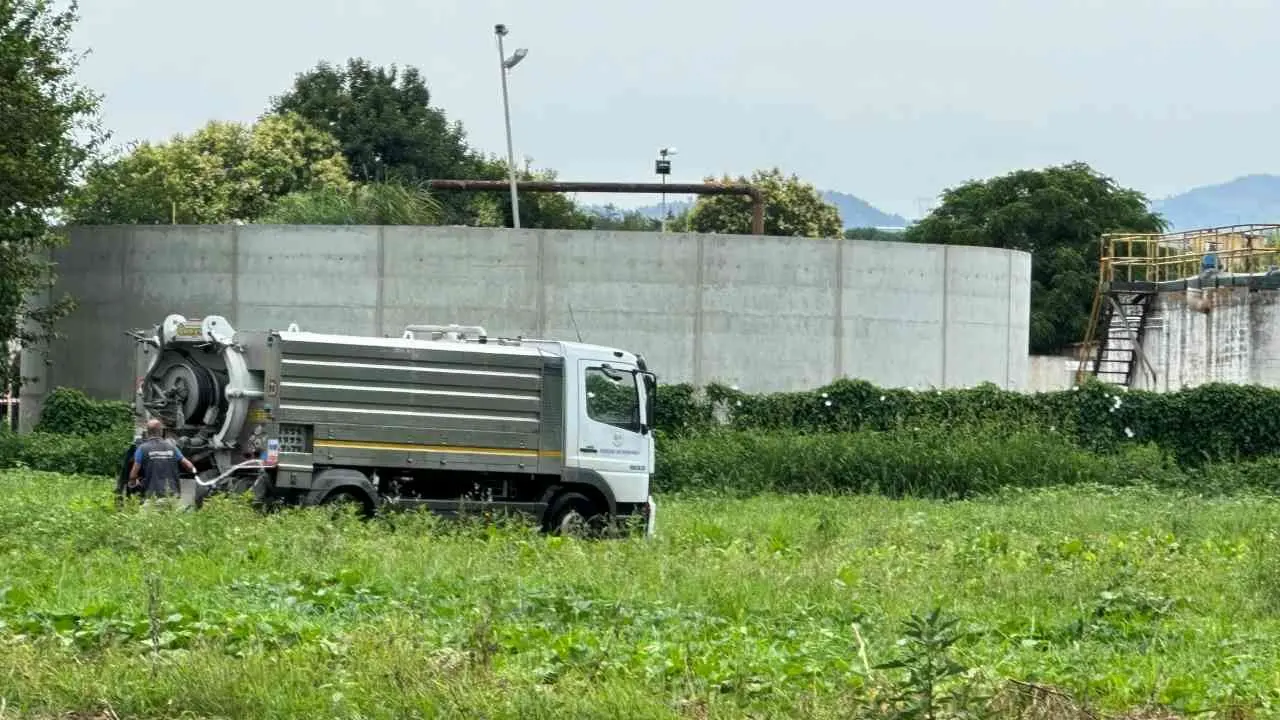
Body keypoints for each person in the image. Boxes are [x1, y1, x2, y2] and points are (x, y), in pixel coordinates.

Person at [127, 419, 196, 502]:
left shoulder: (142, 449)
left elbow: (133, 475)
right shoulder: (173, 448)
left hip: (152, 497)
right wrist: (193, 471)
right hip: (172, 496)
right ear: (161, 432)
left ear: (148, 433)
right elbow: (189, 466)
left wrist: (134, 483)